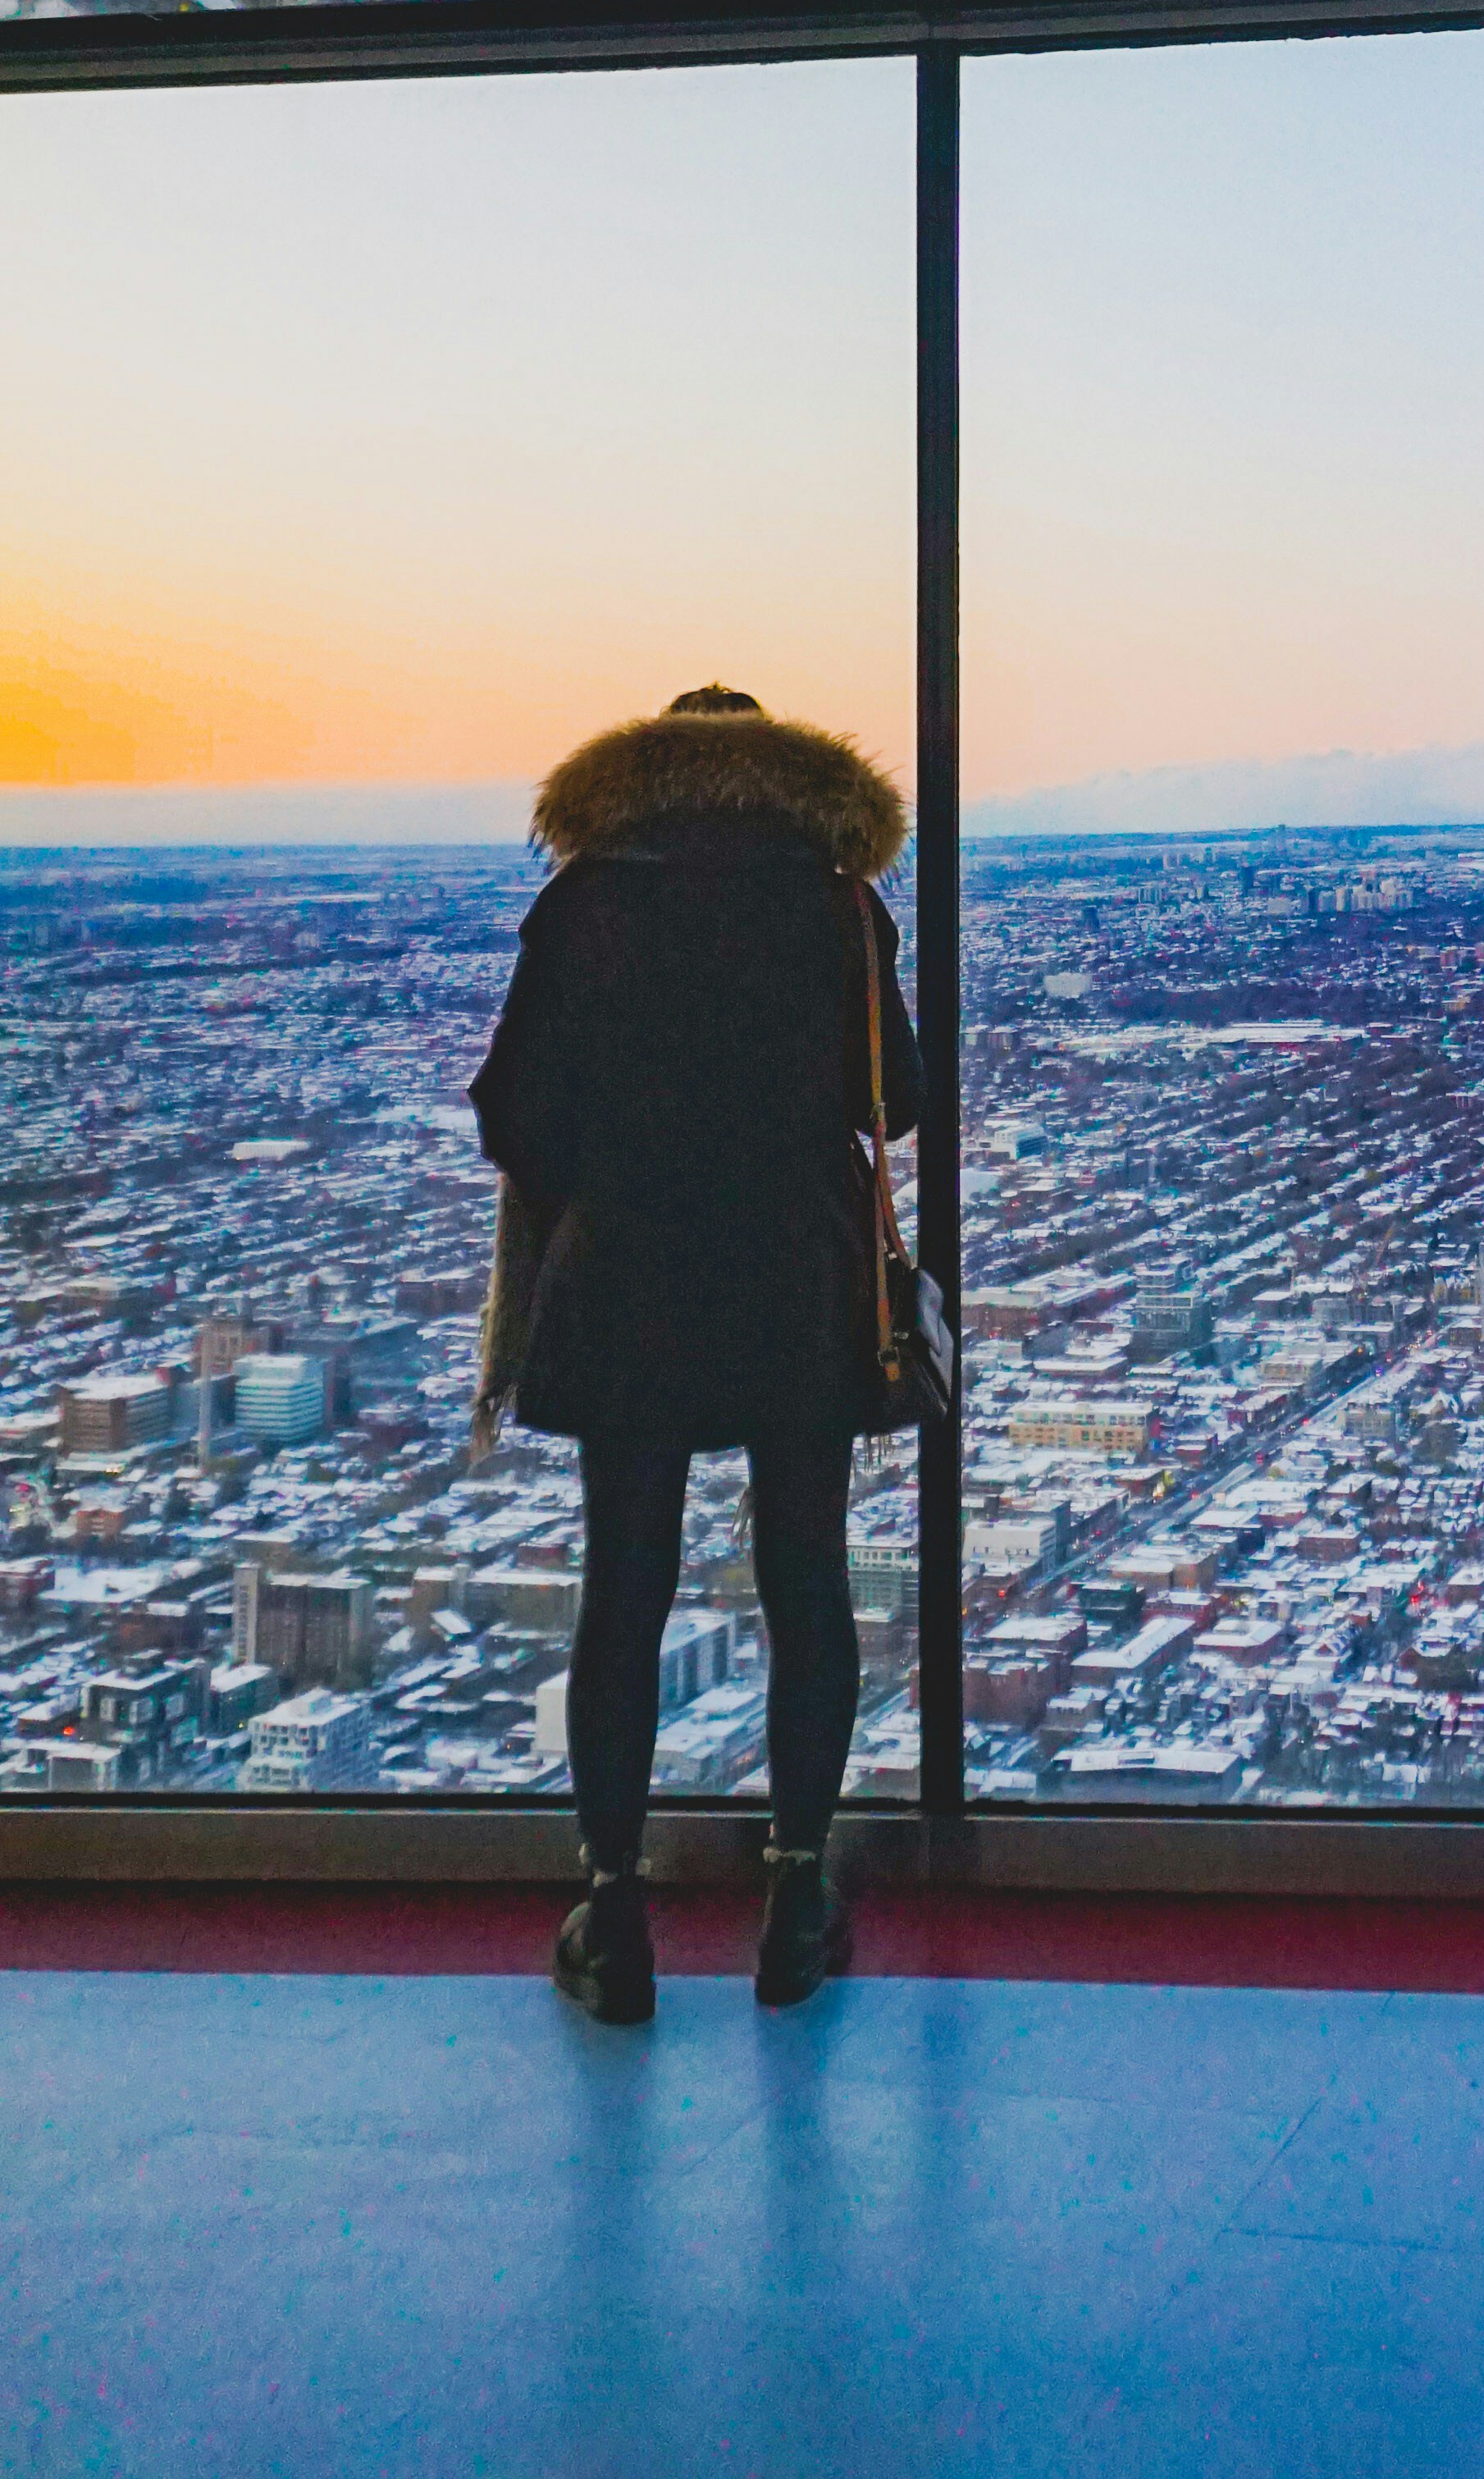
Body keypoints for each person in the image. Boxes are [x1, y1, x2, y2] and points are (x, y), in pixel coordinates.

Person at [471, 684, 924, 2021]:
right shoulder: (835, 899)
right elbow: (891, 1095)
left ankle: (613, 1915)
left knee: (627, 1591)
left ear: (640, 775)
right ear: (787, 777)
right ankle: (796, 1899)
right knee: (806, 1580)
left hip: (631, 1275)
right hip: (794, 1274)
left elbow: (513, 1105)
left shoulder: (587, 897)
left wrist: (606, 1177)